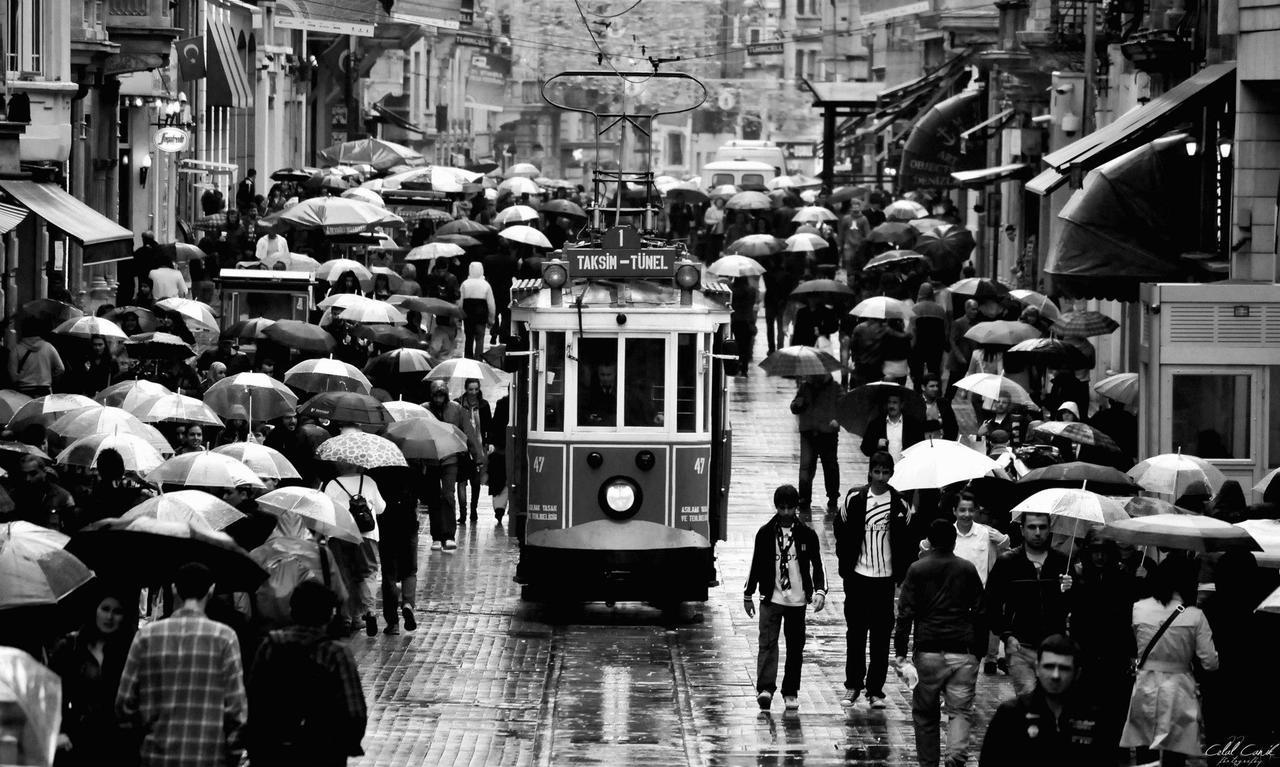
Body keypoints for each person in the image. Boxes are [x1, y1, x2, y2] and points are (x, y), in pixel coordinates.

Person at [115, 563, 248, 767]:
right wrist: (232, 753)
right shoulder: (225, 637)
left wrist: (141, 738)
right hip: (209, 756)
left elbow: (124, 703)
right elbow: (236, 709)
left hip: (156, 755)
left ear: (174, 589)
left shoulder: (146, 636)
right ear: (211, 590)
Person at [894, 519, 985, 767]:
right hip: (963, 651)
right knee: (960, 711)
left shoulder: (917, 569)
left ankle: (929, 763)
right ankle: (955, 757)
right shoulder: (966, 569)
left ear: (930, 542)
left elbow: (905, 614)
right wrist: (980, 651)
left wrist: (900, 650)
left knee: (925, 715)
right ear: (954, 540)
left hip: (929, 651)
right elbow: (980, 610)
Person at [247, 581, 367, 766]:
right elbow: (354, 712)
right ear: (329, 615)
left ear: (293, 611)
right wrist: (345, 744)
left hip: (274, 749)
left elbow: (254, 698)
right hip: (321, 751)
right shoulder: (335, 653)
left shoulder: (271, 645)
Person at [834, 452, 915, 709]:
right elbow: (841, 529)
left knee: (881, 637)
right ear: (870, 472)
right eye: (877, 472)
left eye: (886, 472)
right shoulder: (854, 498)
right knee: (855, 634)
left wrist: (901, 575)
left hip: (885, 581)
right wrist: (846, 564)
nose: (881, 477)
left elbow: (908, 541)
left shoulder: (900, 503)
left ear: (891, 474)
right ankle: (853, 686)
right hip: (858, 578)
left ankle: (875, 689)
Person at [1120, 556, 1219, 766]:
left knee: (1145, 749)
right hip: (1179, 689)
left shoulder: (1138, 608)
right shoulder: (1195, 615)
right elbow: (1210, 662)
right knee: (1175, 753)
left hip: (1145, 684)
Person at [743, 484, 828, 712]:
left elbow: (818, 565)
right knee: (767, 644)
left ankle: (790, 691)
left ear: (796, 507)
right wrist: (748, 593)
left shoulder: (807, 534)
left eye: (791, 508)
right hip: (771, 598)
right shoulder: (765, 533)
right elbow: (757, 564)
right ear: (776, 507)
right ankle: (765, 689)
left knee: (795, 647)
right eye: (782, 509)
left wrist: (820, 591)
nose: (787, 514)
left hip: (797, 601)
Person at [978, 634, 1117, 767]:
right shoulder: (1012, 715)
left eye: (1064, 668)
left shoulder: (1094, 716)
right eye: (1049, 667)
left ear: (1077, 673)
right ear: (1037, 668)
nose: (1055, 675)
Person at [985, 512, 1072, 696]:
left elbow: (1075, 605)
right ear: (1022, 530)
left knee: (1053, 700)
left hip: (1054, 647)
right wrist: (1007, 636)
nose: (1038, 532)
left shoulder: (1062, 562)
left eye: (1042, 527)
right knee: (1028, 702)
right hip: (1021, 646)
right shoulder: (1008, 562)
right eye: (1032, 527)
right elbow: (991, 603)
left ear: (1050, 530)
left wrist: (1071, 587)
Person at [49, 589, 137, 767]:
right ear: (95, 610)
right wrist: (55, 732)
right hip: (74, 738)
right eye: (105, 609)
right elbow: (51, 694)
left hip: (116, 741)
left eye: (117, 611)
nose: (109, 617)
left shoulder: (130, 651)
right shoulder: (71, 647)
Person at [323, 466, 385, 636]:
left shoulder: (332, 485)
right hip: (367, 535)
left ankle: (348, 618)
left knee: (344, 575)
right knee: (368, 573)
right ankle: (369, 610)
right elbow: (381, 508)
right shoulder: (369, 481)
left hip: (339, 534)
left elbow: (325, 510)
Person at [790, 373, 842, 513]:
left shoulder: (835, 387)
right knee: (806, 466)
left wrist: (838, 420)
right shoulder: (805, 387)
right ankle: (804, 499)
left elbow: (844, 407)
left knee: (830, 466)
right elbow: (794, 407)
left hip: (828, 433)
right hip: (809, 431)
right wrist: (798, 404)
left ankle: (833, 497)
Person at [424, 380, 467, 548]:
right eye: (436, 394)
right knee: (434, 498)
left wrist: (478, 456)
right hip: (431, 459)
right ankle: (436, 536)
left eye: (442, 394)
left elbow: (466, 432)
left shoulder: (456, 409)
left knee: (448, 496)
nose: (439, 398)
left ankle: (449, 535)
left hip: (450, 458)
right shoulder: (424, 409)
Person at [455, 378, 491, 522]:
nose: (473, 392)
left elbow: (488, 426)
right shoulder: (457, 404)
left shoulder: (483, 405)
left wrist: (488, 443)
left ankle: (474, 510)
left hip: (478, 448)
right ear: (466, 389)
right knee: (462, 481)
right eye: (470, 389)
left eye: (476, 389)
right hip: (462, 447)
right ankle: (463, 514)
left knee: (475, 482)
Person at [7, 454, 76, 530]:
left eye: (33, 474)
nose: (28, 479)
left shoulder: (63, 497)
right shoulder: (16, 495)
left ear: (44, 472)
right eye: (24, 474)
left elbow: (70, 528)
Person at [860, 391, 925, 462]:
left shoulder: (913, 424)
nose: (891, 406)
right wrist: (876, 444)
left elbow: (920, 447)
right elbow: (865, 449)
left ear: (902, 404)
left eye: (895, 402)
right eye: (889, 402)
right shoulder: (876, 424)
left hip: (905, 469)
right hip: (883, 470)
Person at [9, 317, 64, 396]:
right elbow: (61, 369)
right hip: (44, 390)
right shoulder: (49, 347)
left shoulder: (17, 349)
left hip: (24, 391)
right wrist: (51, 378)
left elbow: (13, 377)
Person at [458, 261, 495, 359]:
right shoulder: (486, 285)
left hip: (468, 316)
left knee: (469, 338)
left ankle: (468, 358)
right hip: (481, 316)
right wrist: (491, 319)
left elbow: (459, 302)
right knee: (480, 339)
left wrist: (458, 317)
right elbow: (491, 304)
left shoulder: (465, 284)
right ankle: (479, 360)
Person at [946, 300, 978, 400]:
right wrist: (959, 356)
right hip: (958, 361)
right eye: (973, 309)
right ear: (967, 309)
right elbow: (952, 341)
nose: (975, 311)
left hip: (970, 360)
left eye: (976, 309)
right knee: (952, 387)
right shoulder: (958, 323)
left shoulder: (976, 324)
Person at [729, 276, 759, 375]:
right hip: (748, 320)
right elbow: (754, 302)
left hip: (736, 319)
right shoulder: (752, 290)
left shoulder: (733, 290)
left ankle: (738, 364)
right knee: (746, 345)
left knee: (737, 343)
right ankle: (744, 368)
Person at [919, 373, 958, 440]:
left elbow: (953, 427)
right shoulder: (915, 404)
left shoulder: (943, 403)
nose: (935, 389)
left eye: (937, 386)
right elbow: (916, 427)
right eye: (932, 386)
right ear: (923, 387)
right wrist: (938, 423)